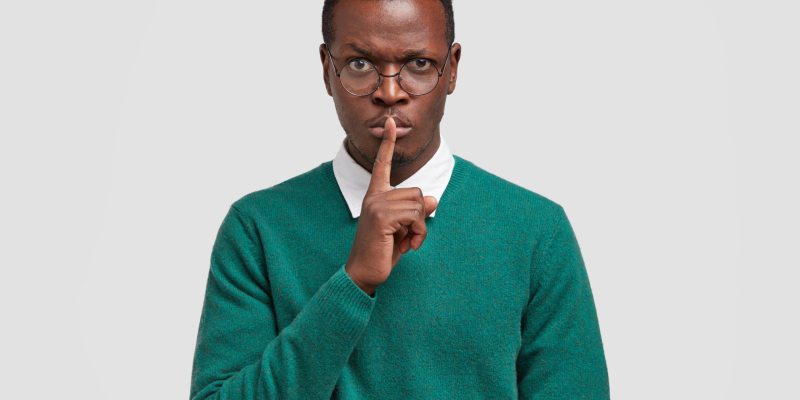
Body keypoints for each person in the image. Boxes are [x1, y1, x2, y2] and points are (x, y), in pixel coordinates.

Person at [190, 0, 610, 398]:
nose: (390, 92)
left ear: (452, 70)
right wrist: (353, 282)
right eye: (359, 64)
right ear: (326, 69)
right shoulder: (257, 228)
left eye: (419, 64)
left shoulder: (536, 231)